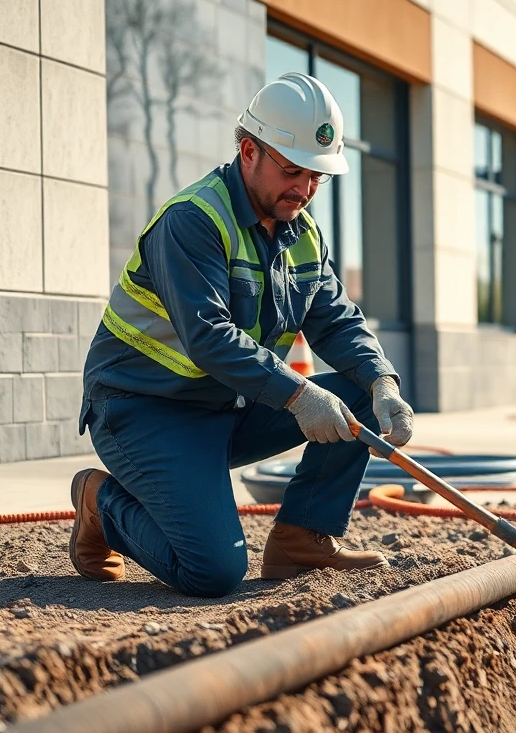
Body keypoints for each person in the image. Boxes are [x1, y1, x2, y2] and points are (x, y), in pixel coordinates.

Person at [69, 73, 414, 597]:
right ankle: (101, 502)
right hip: (143, 411)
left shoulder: (301, 231)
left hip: (226, 407)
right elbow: (208, 335)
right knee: (213, 572)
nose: (304, 190)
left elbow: (337, 319)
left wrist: (382, 382)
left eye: (317, 177)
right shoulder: (193, 220)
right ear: (249, 151)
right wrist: (299, 394)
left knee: (359, 393)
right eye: (293, 171)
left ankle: (303, 538)